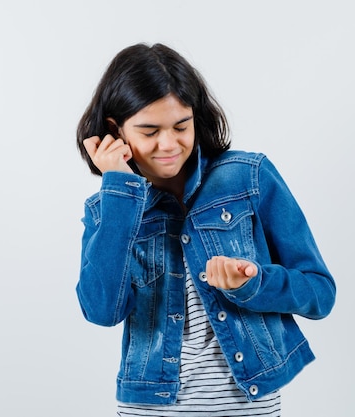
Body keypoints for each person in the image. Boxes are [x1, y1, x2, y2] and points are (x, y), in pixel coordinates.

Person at [75, 43, 336, 416]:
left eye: (181, 126)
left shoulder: (248, 178)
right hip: (150, 407)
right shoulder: (105, 210)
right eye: (149, 131)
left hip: (247, 405)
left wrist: (253, 283)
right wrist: (117, 189)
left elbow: (320, 293)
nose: (169, 144)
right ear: (116, 130)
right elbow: (101, 310)